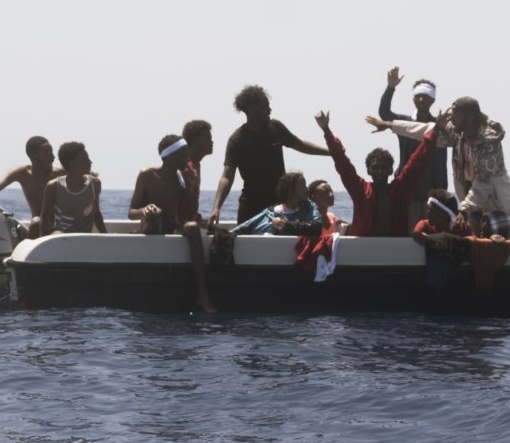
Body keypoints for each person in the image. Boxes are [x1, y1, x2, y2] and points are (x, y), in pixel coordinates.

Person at [367, 96, 510, 230]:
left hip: (496, 201)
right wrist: (391, 125)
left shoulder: (489, 144)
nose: (451, 120)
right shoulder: (459, 132)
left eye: (456, 115)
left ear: (469, 118)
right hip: (470, 201)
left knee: (501, 235)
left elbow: (483, 185)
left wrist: (463, 209)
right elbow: (426, 129)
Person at [209, 85, 329, 227]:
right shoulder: (237, 140)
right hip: (251, 207)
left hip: (280, 205)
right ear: (253, 109)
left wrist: (331, 152)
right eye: (266, 106)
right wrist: (216, 207)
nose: (270, 110)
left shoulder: (276, 128)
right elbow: (226, 177)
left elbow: (300, 145)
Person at [128, 133, 216, 313]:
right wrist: (145, 210)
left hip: (171, 226)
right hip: (151, 224)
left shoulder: (182, 179)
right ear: (171, 157)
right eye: (184, 154)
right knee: (154, 215)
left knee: (191, 228)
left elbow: (190, 216)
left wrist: (193, 186)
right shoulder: (147, 175)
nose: (188, 158)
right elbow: (131, 212)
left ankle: (202, 294)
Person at [317, 110, 436, 237]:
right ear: (369, 170)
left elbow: (418, 161)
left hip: (395, 248)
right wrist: (326, 131)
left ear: (391, 170)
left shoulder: (400, 189)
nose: (379, 171)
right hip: (364, 249)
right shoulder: (360, 189)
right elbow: (342, 162)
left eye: (384, 167)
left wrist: (435, 131)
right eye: (375, 167)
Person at [379, 67, 449, 228]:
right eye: (417, 97)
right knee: (409, 232)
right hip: (408, 193)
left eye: (425, 97)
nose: (421, 100)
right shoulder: (405, 123)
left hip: (433, 194)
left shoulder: (441, 127)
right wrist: (390, 88)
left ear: (432, 100)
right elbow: (384, 113)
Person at [0, 136, 62, 238]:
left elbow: (86, 174)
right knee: (36, 222)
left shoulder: (60, 172)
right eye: (47, 154)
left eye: (52, 153)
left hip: (58, 227)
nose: (53, 157)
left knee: (37, 223)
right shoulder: (22, 174)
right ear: (33, 156)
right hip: (37, 226)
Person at [39, 141, 107, 235]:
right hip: (60, 235)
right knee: (58, 234)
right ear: (73, 163)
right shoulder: (53, 186)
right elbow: (44, 217)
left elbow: (96, 214)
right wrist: (43, 243)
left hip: (85, 237)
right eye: (85, 159)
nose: (90, 162)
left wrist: (106, 237)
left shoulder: (95, 184)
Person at [232, 172, 323, 236]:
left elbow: (316, 228)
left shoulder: (310, 208)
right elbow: (244, 228)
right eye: (303, 185)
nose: (307, 188)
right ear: (292, 190)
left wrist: (286, 225)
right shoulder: (270, 213)